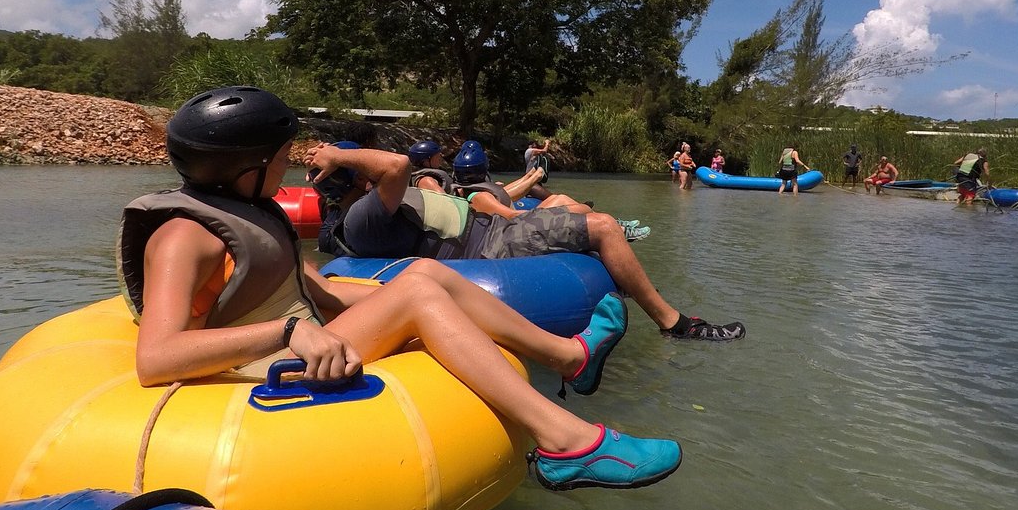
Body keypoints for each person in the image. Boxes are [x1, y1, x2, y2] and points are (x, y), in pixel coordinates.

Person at [120, 86, 682, 492]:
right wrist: (290, 332)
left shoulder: (247, 210)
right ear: (250, 167)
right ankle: (567, 443)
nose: (292, 170)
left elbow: (316, 293)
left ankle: (568, 358)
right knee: (419, 296)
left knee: (425, 277)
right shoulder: (182, 236)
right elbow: (157, 357)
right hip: (257, 365)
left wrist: (399, 293)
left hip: (297, 338)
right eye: (284, 158)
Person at [308, 141, 746, 342]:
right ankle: (675, 325)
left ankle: (635, 293)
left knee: (592, 221)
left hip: (491, 234)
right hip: (486, 250)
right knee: (606, 227)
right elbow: (397, 163)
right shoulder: (361, 218)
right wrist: (338, 156)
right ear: (357, 178)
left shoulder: (372, 204)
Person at [447, 140, 651, 243]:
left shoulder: (476, 190)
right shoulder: (479, 196)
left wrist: (531, 178)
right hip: (516, 231)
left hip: (515, 226)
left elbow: (506, 196)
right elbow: (511, 217)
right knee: (570, 206)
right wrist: (554, 215)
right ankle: (618, 229)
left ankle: (616, 223)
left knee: (560, 198)